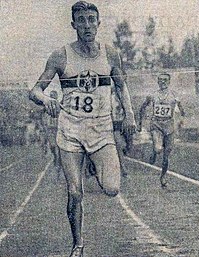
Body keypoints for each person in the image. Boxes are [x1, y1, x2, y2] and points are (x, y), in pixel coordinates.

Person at [29, 1, 136, 256]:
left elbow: (121, 86)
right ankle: (78, 244)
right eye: (82, 20)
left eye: (91, 19)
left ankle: (95, 163)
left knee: (111, 188)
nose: (87, 25)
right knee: (75, 192)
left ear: (98, 24)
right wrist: (47, 100)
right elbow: (35, 90)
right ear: (73, 24)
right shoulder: (60, 56)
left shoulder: (110, 54)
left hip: (101, 130)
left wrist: (129, 114)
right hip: (70, 131)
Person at [138, 73, 185, 187]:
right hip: (156, 125)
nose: (162, 82)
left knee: (166, 155)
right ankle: (154, 152)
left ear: (169, 82)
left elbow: (182, 111)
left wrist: (182, 118)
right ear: (157, 82)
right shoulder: (152, 95)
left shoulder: (174, 95)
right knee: (158, 149)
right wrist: (140, 122)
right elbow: (142, 108)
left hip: (169, 126)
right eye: (160, 80)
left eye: (165, 80)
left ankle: (163, 176)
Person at [43, 90, 62, 176]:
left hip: (58, 129)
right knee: (53, 147)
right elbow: (44, 116)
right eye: (51, 95)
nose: (52, 97)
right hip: (50, 129)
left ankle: (58, 164)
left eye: (54, 95)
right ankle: (56, 157)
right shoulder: (47, 105)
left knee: (59, 147)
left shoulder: (60, 105)